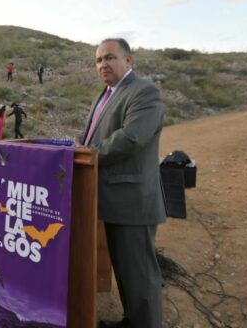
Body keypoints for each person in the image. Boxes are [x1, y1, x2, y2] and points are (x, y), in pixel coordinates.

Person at [81, 38, 166, 328]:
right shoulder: (104, 95)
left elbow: (131, 138)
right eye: (98, 60)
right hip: (111, 199)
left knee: (140, 276)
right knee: (125, 271)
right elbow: (92, 137)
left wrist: (87, 154)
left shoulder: (144, 91)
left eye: (109, 57)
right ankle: (132, 321)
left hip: (133, 201)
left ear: (128, 60)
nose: (103, 64)